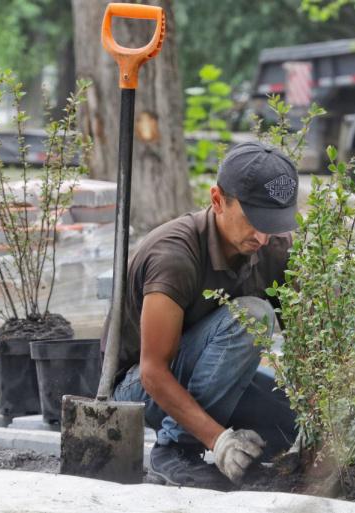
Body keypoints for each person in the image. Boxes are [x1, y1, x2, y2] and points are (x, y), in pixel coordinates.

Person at [107, 141, 299, 490]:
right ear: (217, 200)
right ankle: (176, 449)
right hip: (138, 392)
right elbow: (152, 372)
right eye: (253, 220)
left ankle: (214, 432)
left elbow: (308, 347)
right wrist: (218, 440)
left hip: (214, 378)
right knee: (252, 316)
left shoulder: (273, 247)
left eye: (272, 223)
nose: (262, 236)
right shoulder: (174, 255)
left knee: (290, 424)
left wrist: (324, 424)